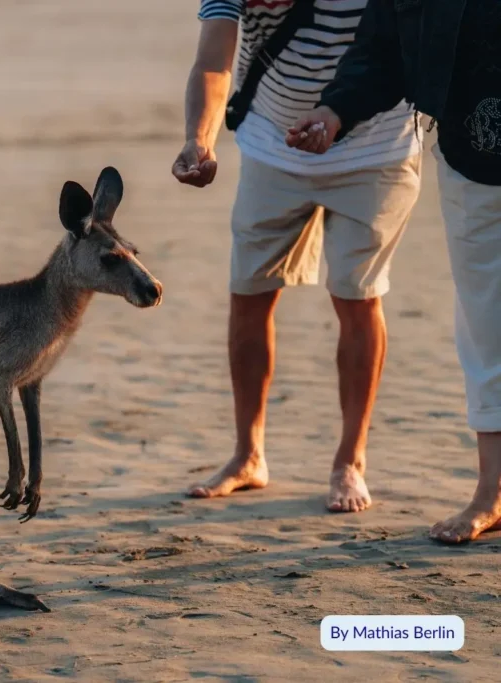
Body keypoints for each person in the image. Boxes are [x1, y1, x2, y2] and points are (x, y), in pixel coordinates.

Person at [173, 0, 423, 512]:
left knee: (356, 296)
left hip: (375, 147)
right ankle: (248, 455)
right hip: (272, 142)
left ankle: (350, 462)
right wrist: (200, 140)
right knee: (249, 292)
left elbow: (396, 49)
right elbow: (214, 60)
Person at [289, 0, 501, 543]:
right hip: (472, 158)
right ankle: (491, 493)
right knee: (486, 324)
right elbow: (380, 49)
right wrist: (335, 111)